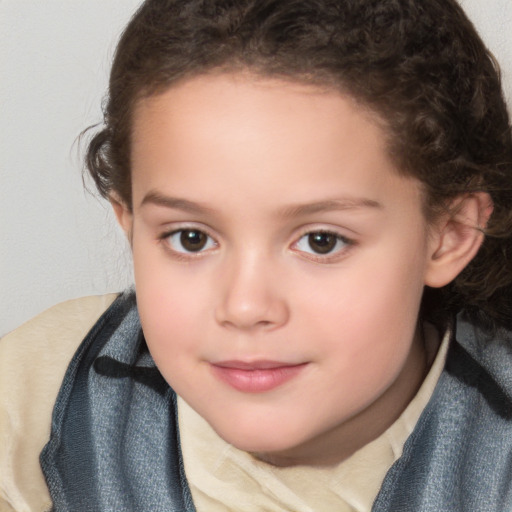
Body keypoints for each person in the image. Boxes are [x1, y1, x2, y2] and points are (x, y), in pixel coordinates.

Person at [1, 0, 511, 510]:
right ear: (129, 222)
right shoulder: (34, 401)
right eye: (191, 238)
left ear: (449, 234)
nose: (245, 307)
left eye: (321, 241)